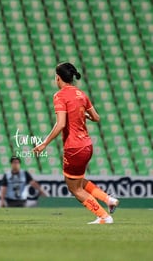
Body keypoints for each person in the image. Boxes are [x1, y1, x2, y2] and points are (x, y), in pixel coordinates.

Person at [33, 62, 119, 224]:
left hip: (74, 147)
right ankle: (108, 200)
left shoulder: (60, 96)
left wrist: (44, 143)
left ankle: (104, 216)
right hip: (87, 145)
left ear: (58, 78)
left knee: (74, 188)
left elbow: (61, 124)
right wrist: (83, 116)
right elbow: (96, 118)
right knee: (78, 181)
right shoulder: (81, 94)